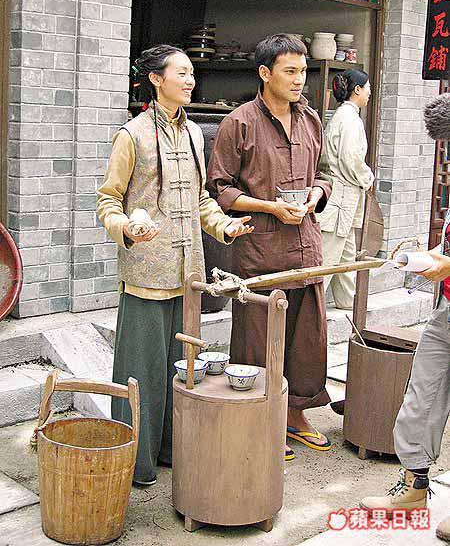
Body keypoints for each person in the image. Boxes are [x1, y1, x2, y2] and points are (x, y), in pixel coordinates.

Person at [97, 45, 253, 486]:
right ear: (156, 79)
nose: (190, 81)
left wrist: (225, 225)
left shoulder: (195, 135)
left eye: (191, 73)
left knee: (181, 369)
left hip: (189, 276)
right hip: (146, 275)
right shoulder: (131, 135)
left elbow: (201, 199)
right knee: (140, 373)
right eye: (180, 73)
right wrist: (126, 227)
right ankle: (135, 463)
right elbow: (108, 199)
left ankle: (169, 452)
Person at [207, 33, 332, 459]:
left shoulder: (311, 120)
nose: (299, 80)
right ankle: (258, 420)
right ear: (265, 73)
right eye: (290, 71)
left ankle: (295, 416)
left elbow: (324, 174)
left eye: (303, 71)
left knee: (307, 338)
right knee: (256, 338)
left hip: (306, 245)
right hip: (260, 250)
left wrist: (315, 195)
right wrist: (270, 207)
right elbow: (220, 188)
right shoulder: (239, 122)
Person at [360, 92, 450, 543]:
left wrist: (445, 265)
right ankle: (414, 487)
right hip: (447, 310)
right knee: (422, 395)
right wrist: (427, 257)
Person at [316, 69, 374, 310]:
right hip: (340, 194)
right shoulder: (349, 119)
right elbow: (351, 159)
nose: (369, 92)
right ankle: (312, 308)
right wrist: (367, 177)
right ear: (357, 89)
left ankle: (348, 302)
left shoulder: (344, 116)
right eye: (367, 87)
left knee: (346, 252)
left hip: (342, 192)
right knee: (329, 255)